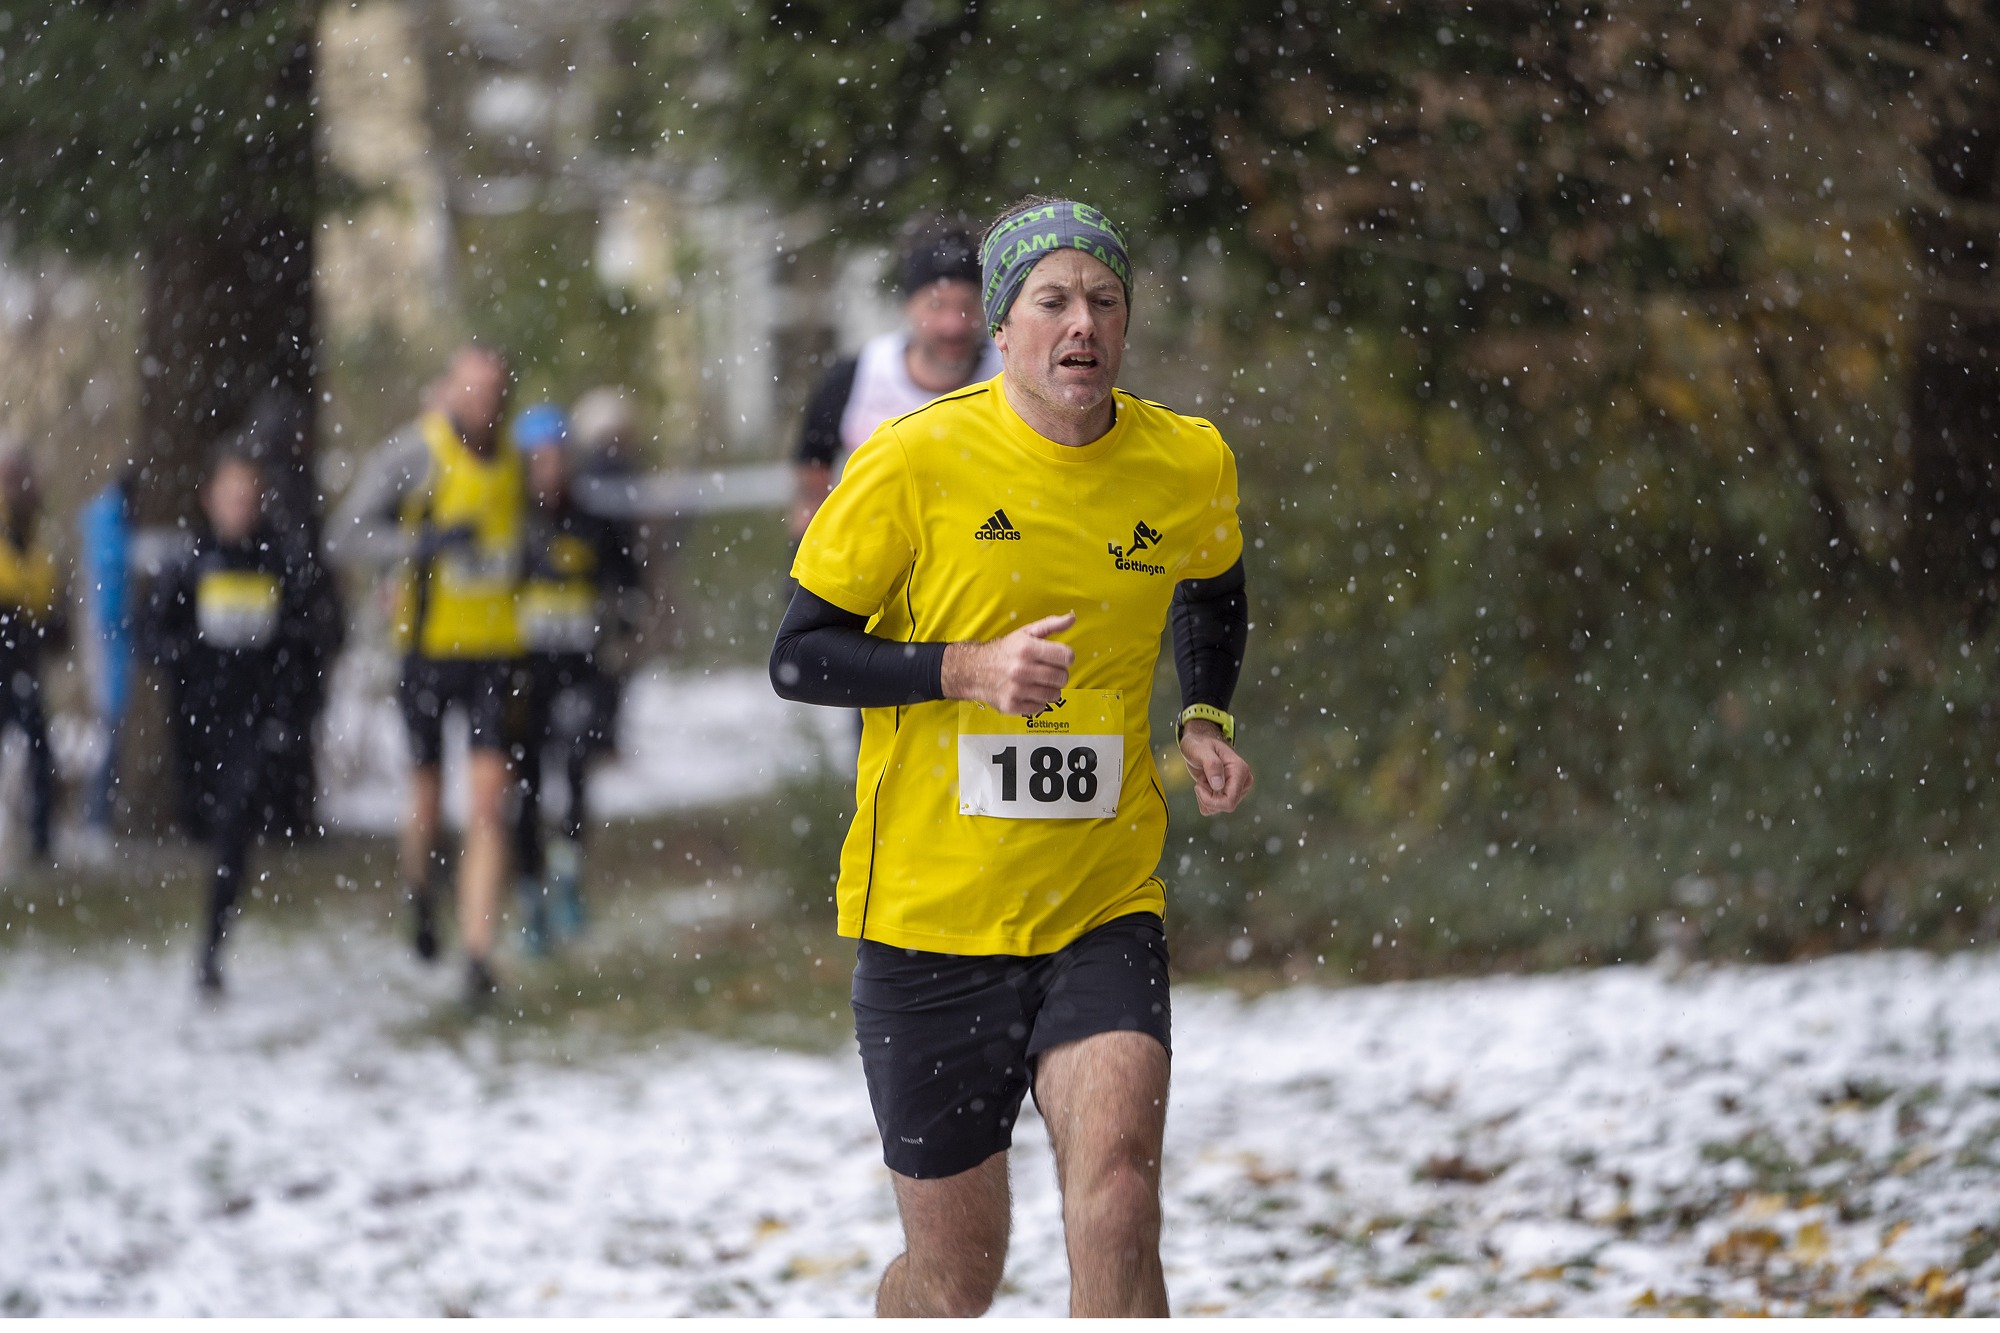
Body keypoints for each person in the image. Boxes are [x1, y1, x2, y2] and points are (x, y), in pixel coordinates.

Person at [770, 196, 1253, 1317]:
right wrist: (962, 670)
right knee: (955, 1279)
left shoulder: (1185, 459)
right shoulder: (913, 459)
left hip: (1099, 903)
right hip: (928, 922)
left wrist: (1204, 714)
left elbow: (1212, 586)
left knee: (1119, 1200)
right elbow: (799, 655)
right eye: (1053, 301)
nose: (1082, 323)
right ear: (1001, 326)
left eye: (1104, 301)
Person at [326, 345, 524, 1004]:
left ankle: (478, 954)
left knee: (489, 805)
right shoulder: (413, 455)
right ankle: (419, 893)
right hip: (428, 654)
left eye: (495, 390)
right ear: (450, 390)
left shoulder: (516, 459)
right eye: (474, 389)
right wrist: (419, 546)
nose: (485, 402)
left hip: (495, 652)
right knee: (429, 799)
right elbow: (345, 533)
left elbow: (526, 530)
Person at [141, 448, 330, 994]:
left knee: (234, 824)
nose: (240, 508)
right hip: (199, 720)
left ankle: (211, 947)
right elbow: (151, 638)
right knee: (203, 824)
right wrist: (196, 648)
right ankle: (208, 933)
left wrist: (283, 677)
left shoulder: (281, 561)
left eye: (249, 498)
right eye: (231, 497)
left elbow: (313, 637)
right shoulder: (189, 563)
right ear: (210, 500)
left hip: (255, 720)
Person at [507, 402, 642, 953]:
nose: (549, 470)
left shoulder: (593, 519)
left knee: (577, 767)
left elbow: (628, 583)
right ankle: (530, 897)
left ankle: (568, 873)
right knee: (526, 786)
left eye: (556, 458)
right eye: (538, 460)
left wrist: (620, 634)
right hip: (524, 673)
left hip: (581, 670)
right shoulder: (511, 525)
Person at [789, 219, 1002, 537]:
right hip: (875, 555)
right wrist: (804, 558)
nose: (953, 324)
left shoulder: (1013, 373)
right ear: (908, 306)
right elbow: (812, 485)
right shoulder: (856, 377)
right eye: (936, 306)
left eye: (967, 306)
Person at [0, 450, 61, 865]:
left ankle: (41, 840)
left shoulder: (37, 537)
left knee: (40, 752)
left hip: (24, 659)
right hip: (11, 656)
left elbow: (47, 598)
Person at [76, 469, 134, 861]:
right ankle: (95, 819)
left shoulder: (106, 523)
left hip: (108, 646)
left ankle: (98, 817)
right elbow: (108, 598)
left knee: (108, 735)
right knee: (108, 736)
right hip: (107, 646)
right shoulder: (111, 528)